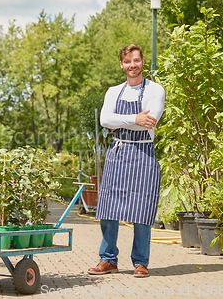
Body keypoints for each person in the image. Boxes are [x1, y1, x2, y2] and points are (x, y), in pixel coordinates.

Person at [88, 44, 165, 278]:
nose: (133, 65)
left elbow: (150, 120)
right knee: (109, 208)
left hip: (143, 154)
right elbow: (104, 120)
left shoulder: (156, 90)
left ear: (143, 62)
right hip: (118, 153)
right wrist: (134, 118)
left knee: (142, 209)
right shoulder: (113, 91)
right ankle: (108, 260)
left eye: (136, 60)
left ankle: (141, 262)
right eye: (128, 61)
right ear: (121, 65)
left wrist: (120, 120)